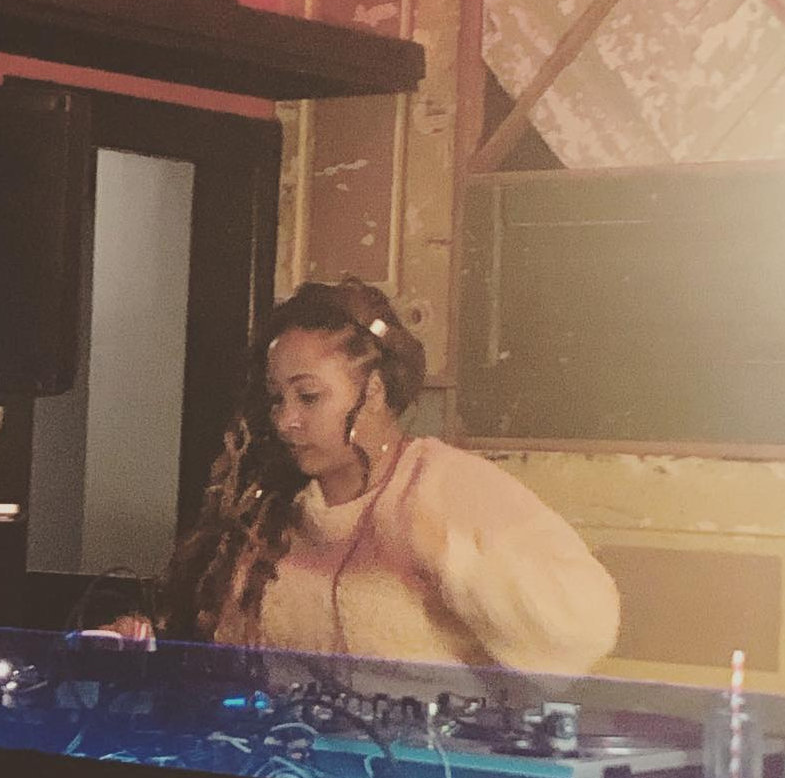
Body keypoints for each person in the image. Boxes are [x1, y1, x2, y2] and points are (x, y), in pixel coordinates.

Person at [155, 277, 620, 677]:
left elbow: (586, 628)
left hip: (432, 755)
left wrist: (447, 555)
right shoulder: (268, 502)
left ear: (374, 391)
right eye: (278, 398)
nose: (285, 421)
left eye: (308, 397)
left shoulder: (452, 485)